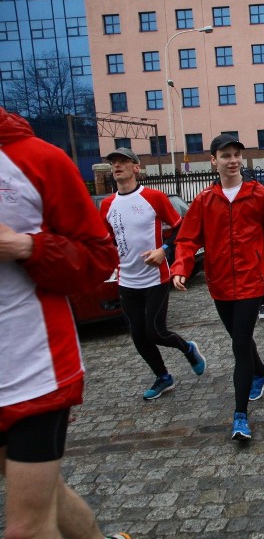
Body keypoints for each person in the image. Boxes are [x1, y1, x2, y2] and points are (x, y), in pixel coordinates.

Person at [0, 108, 130, 538]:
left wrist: (24, 246)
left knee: (25, 529)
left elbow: (99, 257)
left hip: (31, 368)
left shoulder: (38, 159)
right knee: (46, 492)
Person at [171, 134, 264, 441]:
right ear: (214, 160)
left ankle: (240, 416)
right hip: (220, 283)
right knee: (242, 338)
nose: (233, 160)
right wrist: (182, 267)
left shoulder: (260, 194)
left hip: (252, 280)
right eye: (226, 155)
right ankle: (262, 372)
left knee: (239, 345)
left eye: (237, 154)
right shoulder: (204, 200)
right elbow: (187, 239)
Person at [100, 148, 206, 400]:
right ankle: (163, 377)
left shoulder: (154, 197)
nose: (117, 166)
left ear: (136, 168)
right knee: (138, 335)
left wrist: (165, 250)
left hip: (155, 278)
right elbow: (107, 240)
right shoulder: (107, 204)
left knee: (156, 332)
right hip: (127, 280)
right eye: (114, 162)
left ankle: (188, 349)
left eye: (124, 161)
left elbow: (183, 227)